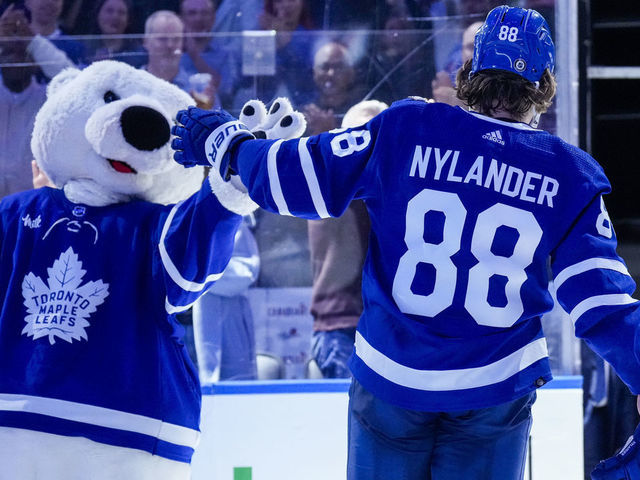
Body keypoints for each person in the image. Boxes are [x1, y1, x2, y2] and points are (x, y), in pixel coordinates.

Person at [173, 6, 640, 479]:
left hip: (391, 377)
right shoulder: (570, 173)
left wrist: (227, 146)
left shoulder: (406, 127)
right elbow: (602, 300)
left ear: (469, 72)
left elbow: (299, 179)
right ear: (543, 84)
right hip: (493, 390)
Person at [308, 100, 386, 379]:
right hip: (341, 331)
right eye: (358, 133)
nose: (366, 142)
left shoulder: (386, 188)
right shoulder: (331, 183)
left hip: (380, 330)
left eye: (376, 134)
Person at [0, 3, 73, 198]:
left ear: (35, 63)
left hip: (29, 204)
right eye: (8, 55)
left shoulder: (47, 99)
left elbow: (75, 80)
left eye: (22, 56)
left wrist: (33, 40)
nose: (15, 62)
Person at [192, 217, 260, 383]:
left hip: (223, 324)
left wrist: (192, 267)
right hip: (176, 329)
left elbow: (247, 271)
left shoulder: (229, 218)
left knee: (230, 398)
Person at [142, 10, 218, 108]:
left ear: (183, 43)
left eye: (176, 39)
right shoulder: (130, 84)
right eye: (162, 39)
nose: (170, 45)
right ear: (145, 42)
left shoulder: (199, 89)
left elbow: (218, 122)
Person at [303, 41, 365, 135]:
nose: (330, 74)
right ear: (314, 72)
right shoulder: (304, 113)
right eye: (324, 67)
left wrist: (328, 132)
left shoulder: (363, 112)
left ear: (351, 72)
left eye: (338, 67)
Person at [85, 0, 145, 67]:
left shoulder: (138, 54)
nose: (115, 17)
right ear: (97, 14)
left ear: (128, 19)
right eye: (109, 11)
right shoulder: (85, 49)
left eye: (121, 12)